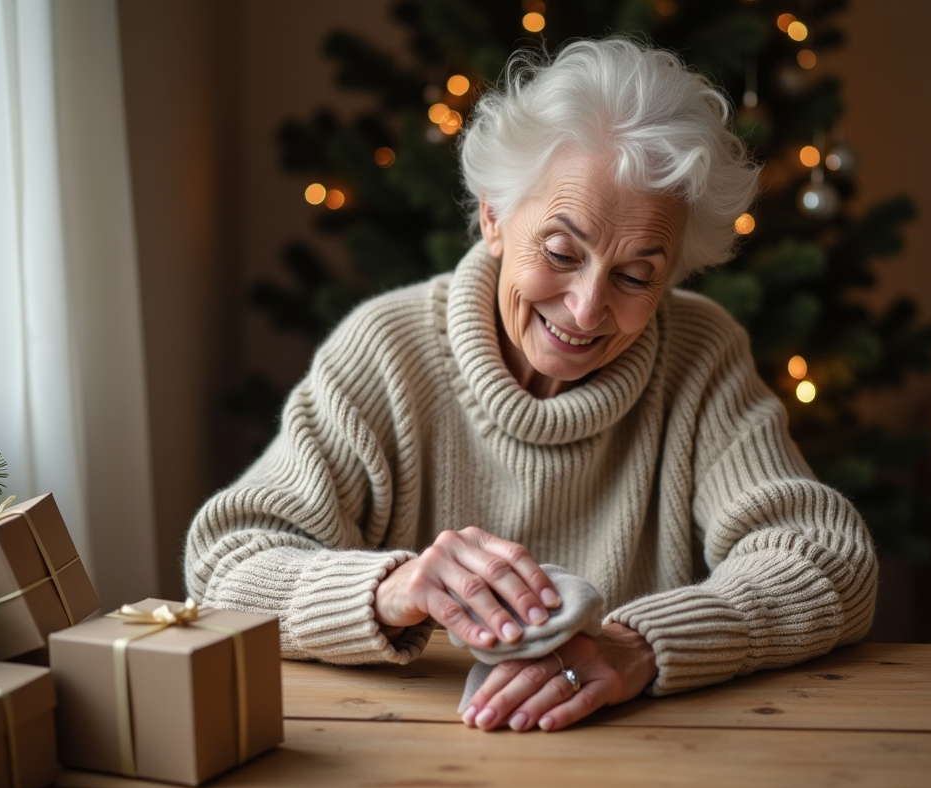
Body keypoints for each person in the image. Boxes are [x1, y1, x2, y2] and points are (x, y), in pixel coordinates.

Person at [185, 37, 877, 734]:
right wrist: (392, 589)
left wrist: (639, 645)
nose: (585, 308)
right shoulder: (386, 350)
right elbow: (227, 563)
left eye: (636, 275)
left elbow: (829, 560)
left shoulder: (701, 356)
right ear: (493, 216)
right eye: (560, 252)